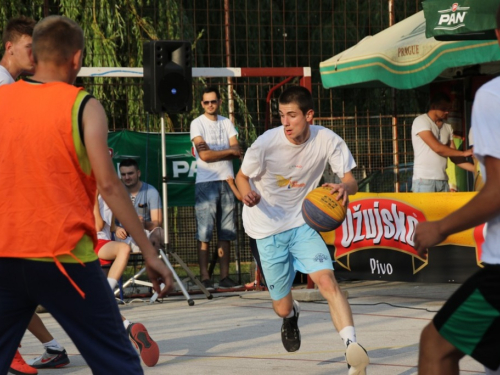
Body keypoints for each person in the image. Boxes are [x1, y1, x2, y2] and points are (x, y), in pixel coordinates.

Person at [0, 15, 173, 375]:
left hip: (5, 254)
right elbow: (109, 186)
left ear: (34, 56)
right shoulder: (82, 105)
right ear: (76, 58)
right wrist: (149, 251)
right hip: (63, 258)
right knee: (117, 362)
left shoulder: (3, 100)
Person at [235, 85, 369, 374]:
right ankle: (291, 314)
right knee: (281, 307)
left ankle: (352, 349)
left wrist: (343, 186)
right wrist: (246, 194)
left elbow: (351, 180)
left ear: (309, 115)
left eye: (292, 115)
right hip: (265, 228)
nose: (285, 122)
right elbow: (241, 177)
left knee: (328, 283)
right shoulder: (266, 144)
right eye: (281, 115)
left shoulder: (327, 140)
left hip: (302, 224)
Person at [413, 11, 500, 374]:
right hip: (425, 181)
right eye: (446, 104)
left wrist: (439, 227)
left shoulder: (493, 96)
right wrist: (470, 160)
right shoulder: (423, 124)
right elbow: (442, 151)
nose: (448, 109)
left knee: (435, 346)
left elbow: (496, 188)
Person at [0, 15, 70, 375]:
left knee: (18, 283)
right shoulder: (3, 90)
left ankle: (45, 346)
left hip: (13, 208)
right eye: (31, 48)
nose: (36, 55)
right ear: (10, 47)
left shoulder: (16, 88)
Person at [94, 193, 160, 367]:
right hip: (103, 248)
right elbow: (110, 223)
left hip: (93, 247)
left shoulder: (93, 192)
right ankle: (128, 327)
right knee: (99, 308)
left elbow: (98, 224)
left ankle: (54, 348)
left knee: (89, 310)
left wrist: (93, 198)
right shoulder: (109, 194)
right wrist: (116, 228)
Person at [190, 86, 242, 290]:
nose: (210, 105)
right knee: (204, 232)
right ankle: (204, 277)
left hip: (227, 180)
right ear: (201, 104)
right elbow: (204, 155)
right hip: (206, 183)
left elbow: (237, 150)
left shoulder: (227, 122)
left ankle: (224, 277)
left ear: (220, 102)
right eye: (206, 102)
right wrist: (228, 151)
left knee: (226, 231)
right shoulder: (197, 123)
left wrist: (223, 152)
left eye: (213, 101)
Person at [411, 92, 474, 192]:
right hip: (424, 180)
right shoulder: (421, 121)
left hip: (443, 180)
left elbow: (455, 157)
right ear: (433, 106)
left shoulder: (448, 126)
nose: (447, 112)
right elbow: (437, 148)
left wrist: (478, 170)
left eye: (449, 109)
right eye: (444, 109)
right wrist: (464, 153)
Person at [116, 158, 164, 252]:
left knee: (160, 233)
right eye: (123, 174)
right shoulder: (116, 193)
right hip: (121, 234)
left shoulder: (151, 191)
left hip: (144, 232)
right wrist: (116, 228)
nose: (127, 177)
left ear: (138, 173)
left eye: (130, 173)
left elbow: (157, 222)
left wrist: (144, 224)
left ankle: (155, 266)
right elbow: (107, 222)